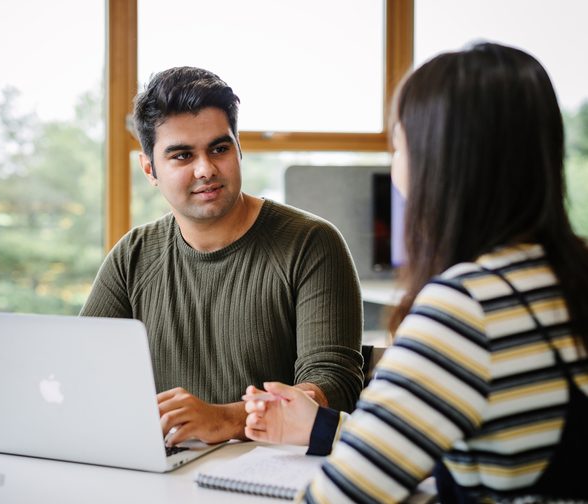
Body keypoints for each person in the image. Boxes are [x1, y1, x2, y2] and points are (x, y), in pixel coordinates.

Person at [244, 42, 588, 503]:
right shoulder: (567, 275)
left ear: (439, 165)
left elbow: (336, 497)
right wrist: (326, 429)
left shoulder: (468, 307)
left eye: (399, 146)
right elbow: (471, 437)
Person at [80, 66, 364, 446]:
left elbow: (333, 384)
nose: (206, 169)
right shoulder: (133, 256)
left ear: (238, 148)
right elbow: (81, 370)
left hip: (269, 472)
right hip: (163, 468)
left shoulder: (311, 243)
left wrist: (228, 418)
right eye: (182, 156)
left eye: (219, 148)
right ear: (150, 168)